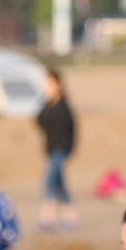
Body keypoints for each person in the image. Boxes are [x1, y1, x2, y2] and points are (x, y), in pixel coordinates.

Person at [35, 68, 78, 230]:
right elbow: (39, 121)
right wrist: (45, 101)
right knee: (60, 183)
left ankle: (47, 217)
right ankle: (71, 215)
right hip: (51, 148)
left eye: (50, 82)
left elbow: (71, 128)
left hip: (62, 149)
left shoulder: (64, 105)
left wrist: (70, 149)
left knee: (49, 181)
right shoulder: (48, 104)